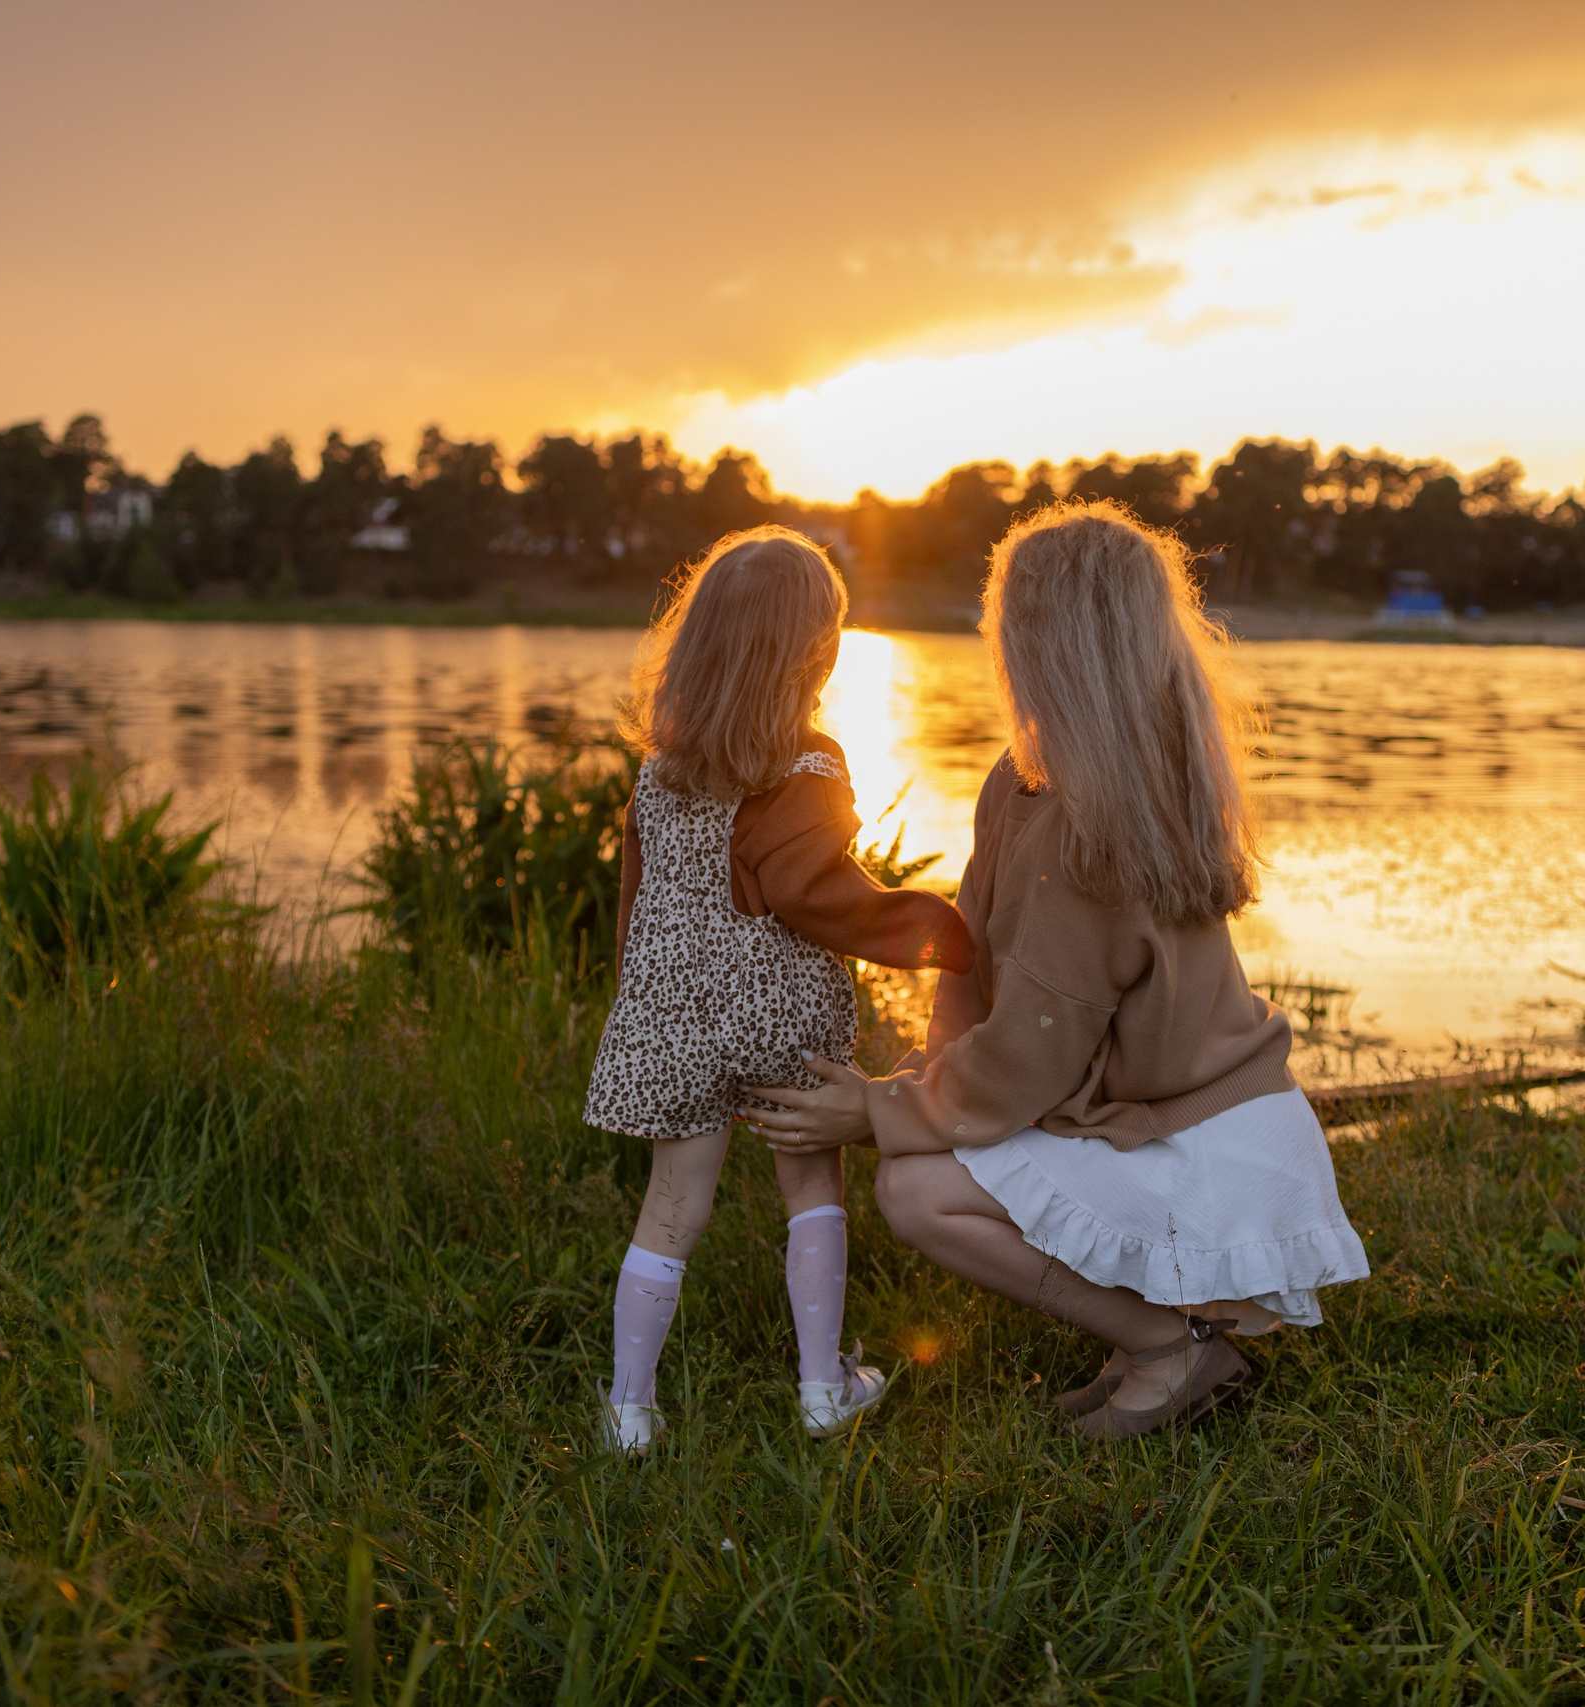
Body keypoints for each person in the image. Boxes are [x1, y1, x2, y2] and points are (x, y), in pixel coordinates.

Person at [749, 504, 1369, 1438]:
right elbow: (972, 955)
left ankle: (1169, 1347)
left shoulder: (1095, 826)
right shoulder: (1024, 776)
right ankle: (1149, 1342)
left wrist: (878, 1111)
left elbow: (1035, 1053)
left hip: (1204, 1140)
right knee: (933, 1154)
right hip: (1147, 1112)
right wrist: (928, 1078)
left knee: (915, 1191)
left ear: (1040, 645)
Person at [584, 525, 976, 1455]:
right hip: (780, 1015)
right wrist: (942, 931)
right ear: (817, 654)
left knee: (673, 1203)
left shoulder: (659, 770)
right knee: (811, 1183)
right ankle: (819, 1387)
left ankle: (631, 1410)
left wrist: (639, 1004)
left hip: (673, 1014)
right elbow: (819, 894)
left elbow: (639, 907)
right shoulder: (809, 764)